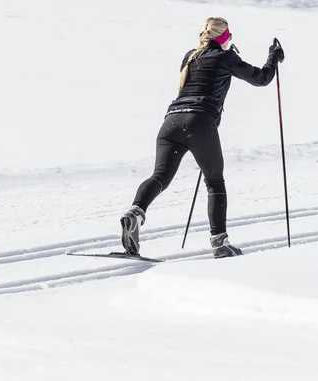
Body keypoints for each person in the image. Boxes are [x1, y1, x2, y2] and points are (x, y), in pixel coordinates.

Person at [120, 17, 285, 258]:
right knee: (215, 182)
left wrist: (228, 57)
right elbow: (261, 78)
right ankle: (220, 243)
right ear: (224, 37)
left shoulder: (190, 56)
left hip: (171, 122)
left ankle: (136, 211)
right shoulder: (226, 57)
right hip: (200, 122)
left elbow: (202, 78)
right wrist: (273, 57)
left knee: (160, 176)